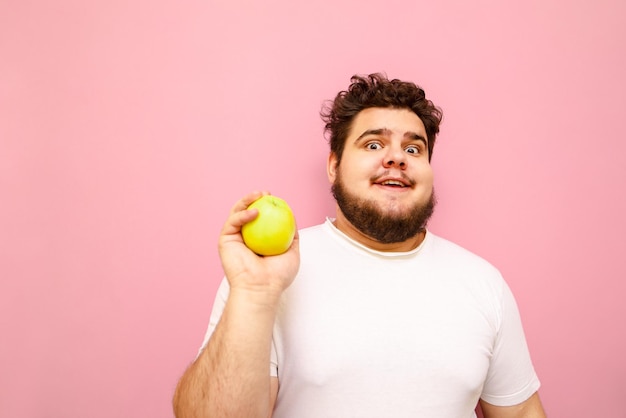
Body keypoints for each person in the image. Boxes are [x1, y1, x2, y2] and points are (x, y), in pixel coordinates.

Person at [172, 73, 546, 417]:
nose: (397, 157)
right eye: (373, 143)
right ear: (334, 165)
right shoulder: (266, 274)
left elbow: (522, 412)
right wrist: (255, 294)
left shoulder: (483, 283)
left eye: (414, 149)